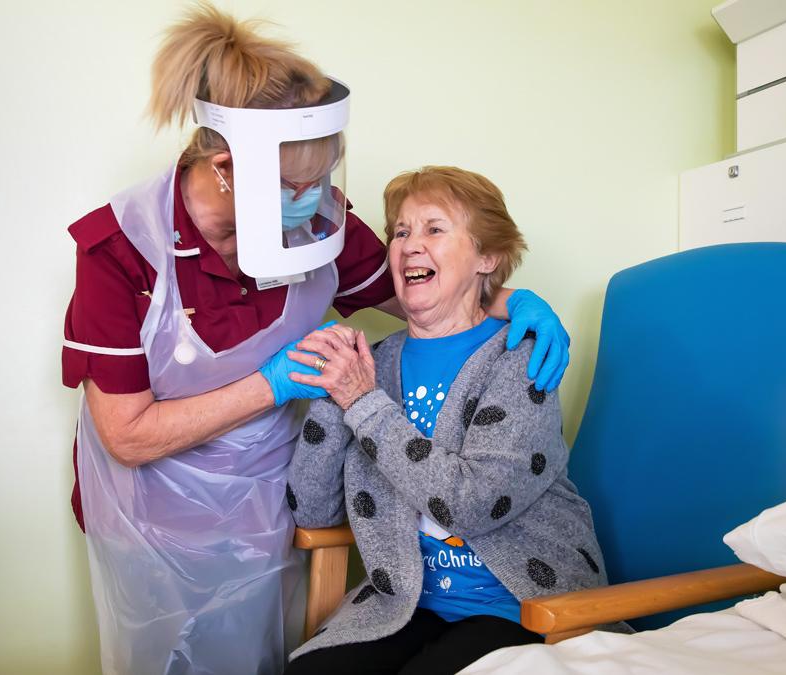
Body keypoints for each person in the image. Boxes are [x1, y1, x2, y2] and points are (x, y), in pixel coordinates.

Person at [60, 7, 572, 675]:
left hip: (267, 509)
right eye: (297, 188)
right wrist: (275, 385)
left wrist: (511, 297)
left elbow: (420, 293)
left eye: (323, 179)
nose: (318, 202)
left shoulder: (317, 226)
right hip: (155, 520)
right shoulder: (120, 252)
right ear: (226, 168)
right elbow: (126, 434)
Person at [283, 167, 611, 674]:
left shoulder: (520, 359)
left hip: (525, 604)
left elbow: (471, 503)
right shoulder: (373, 364)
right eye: (401, 232)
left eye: (434, 229)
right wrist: (333, 390)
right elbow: (311, 511)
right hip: (407, 603)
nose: (411, 245)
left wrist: (362, 401)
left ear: (488, 258)